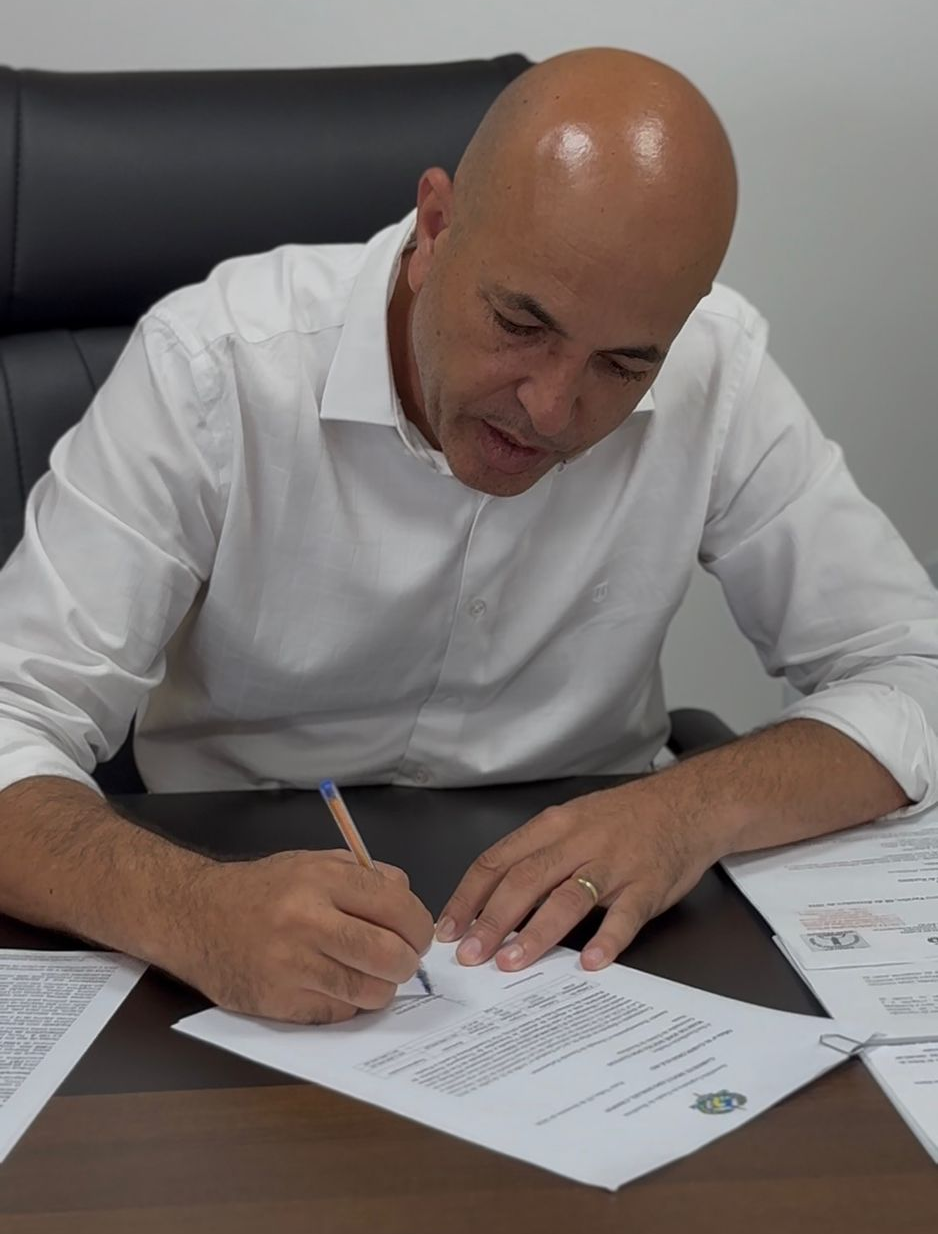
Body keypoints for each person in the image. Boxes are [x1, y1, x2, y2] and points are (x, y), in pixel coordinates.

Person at [0, 48, 936, 1024]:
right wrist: (189, 910)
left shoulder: (716, 368)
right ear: (434, 229)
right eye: (520, 323)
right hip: (236, 897)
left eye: (622, 365)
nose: (550, 407)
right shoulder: (212, 367)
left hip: (590, 943)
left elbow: (912, 670)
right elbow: (10, 721)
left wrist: (687, 809)